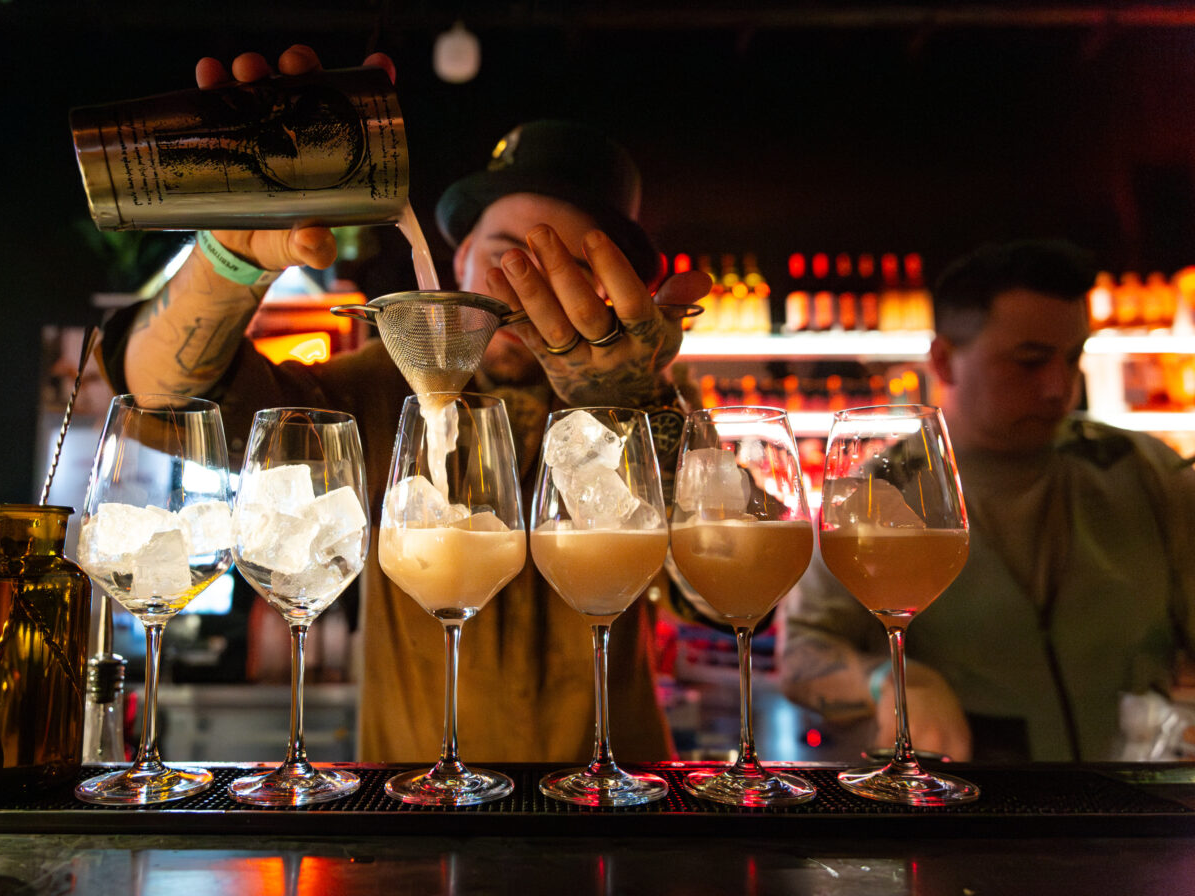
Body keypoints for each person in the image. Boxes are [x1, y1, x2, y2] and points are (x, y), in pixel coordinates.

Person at [98, 44, 711, 763]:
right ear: (458, 261)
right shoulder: (384, 388)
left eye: (568, 270)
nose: (525, 292)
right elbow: (168, 403)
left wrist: (640, 411)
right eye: (508, 256)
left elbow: (720, 587)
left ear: (611, 289)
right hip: (413, 809)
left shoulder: (652, 407)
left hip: (618, 810)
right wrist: (227, 258)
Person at [778, 238, 1195, 763]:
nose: (1059, 388)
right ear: (944, 360)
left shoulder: (1144, 470)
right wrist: (891, 678)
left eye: (1072, 358)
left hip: (1134, 808)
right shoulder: (875, 490)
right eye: (1029, 362)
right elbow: (801, 652)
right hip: (971, 811)